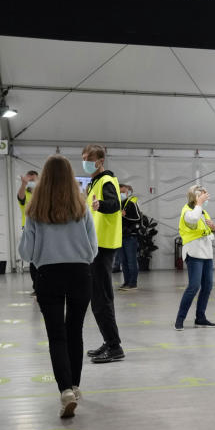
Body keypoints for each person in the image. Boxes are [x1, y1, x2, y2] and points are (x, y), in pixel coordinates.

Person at [18, 155, 97, 419]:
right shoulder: (82, 208)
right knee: (75, 330)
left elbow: (26, 252)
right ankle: (75, 385)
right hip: (80, 273)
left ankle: (64, 390)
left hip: (48, 275)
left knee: (56, 335)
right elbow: (94, 249)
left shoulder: (35, 211)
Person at [81, 144, 126, 364]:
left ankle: (114, 346)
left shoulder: (107, 181)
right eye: (83, 158)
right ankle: (109, 342)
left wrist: (102, 204)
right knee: (98, 297)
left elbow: (114, 204)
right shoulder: (95, 183)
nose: (86, 162)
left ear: (100, 161)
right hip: (96, 246)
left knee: (101, 298)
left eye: (89, 159)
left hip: (103, 246)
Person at [175, 185, 215, 330]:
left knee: (207, 286)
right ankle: (180, 319)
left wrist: (213, 227)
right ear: (196, 197)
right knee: (194, 286)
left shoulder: (203, 212)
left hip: (206, 253)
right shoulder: (187, 211)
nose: (206, 199)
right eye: (203, 197)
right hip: (194, 253)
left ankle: (200, 318)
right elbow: (192, 220)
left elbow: (207, 230)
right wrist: (199, 203)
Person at [17, 170, 39, 295]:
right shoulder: (24, 193)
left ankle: (43, 286)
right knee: (32, 259)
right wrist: (23, 185)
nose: (31, 183)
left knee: (42, 258)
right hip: (28, 230)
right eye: (29, 180)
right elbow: (20, 197)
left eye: (33, 180)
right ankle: (36, 288)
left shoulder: (42, 194)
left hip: (43, 229)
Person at [117, 184, 142, 291]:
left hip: (130, 237)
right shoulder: (119, 204)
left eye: (123, 192)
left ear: (128, 193)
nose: (121, 194)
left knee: (131, 261)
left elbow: (138, 218)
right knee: (123, 261)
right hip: (120, 236)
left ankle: (133, 283)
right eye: (120, 192)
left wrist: (125, 215)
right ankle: (126, 282)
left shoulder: (132, 203)